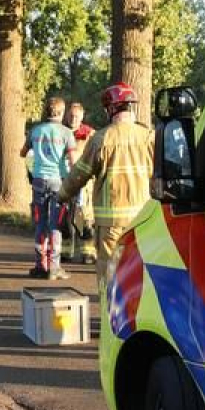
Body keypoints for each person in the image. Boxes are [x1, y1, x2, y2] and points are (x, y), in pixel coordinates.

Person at [61, 83, 154, 301]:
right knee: (139, 269)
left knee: (109, 271)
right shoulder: (149, 136)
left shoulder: (101, 139)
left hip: (111, 221)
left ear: (110, 109)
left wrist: (62, 194)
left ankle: (110, 321)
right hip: (144, 219)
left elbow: (79, 174)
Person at [20, 96, 75, 279]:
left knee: (40, 223)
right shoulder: (67, 133)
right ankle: (54, 267)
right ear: (61, 112)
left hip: (38, 181)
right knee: (55, 224)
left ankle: (39, 265)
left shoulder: (35, 131)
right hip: (58, 182)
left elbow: (22, 153)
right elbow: (73, 161)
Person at [62, 101, 95, 265]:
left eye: (76, 116)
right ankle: (66, 252)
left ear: (82, 116)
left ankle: (88, 253)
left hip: (84, 182)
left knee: (85, 217)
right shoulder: (61, 132)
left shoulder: (89, 134)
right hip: (65, 179)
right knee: (65, 218)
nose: (73, 118)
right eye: (71, 115)